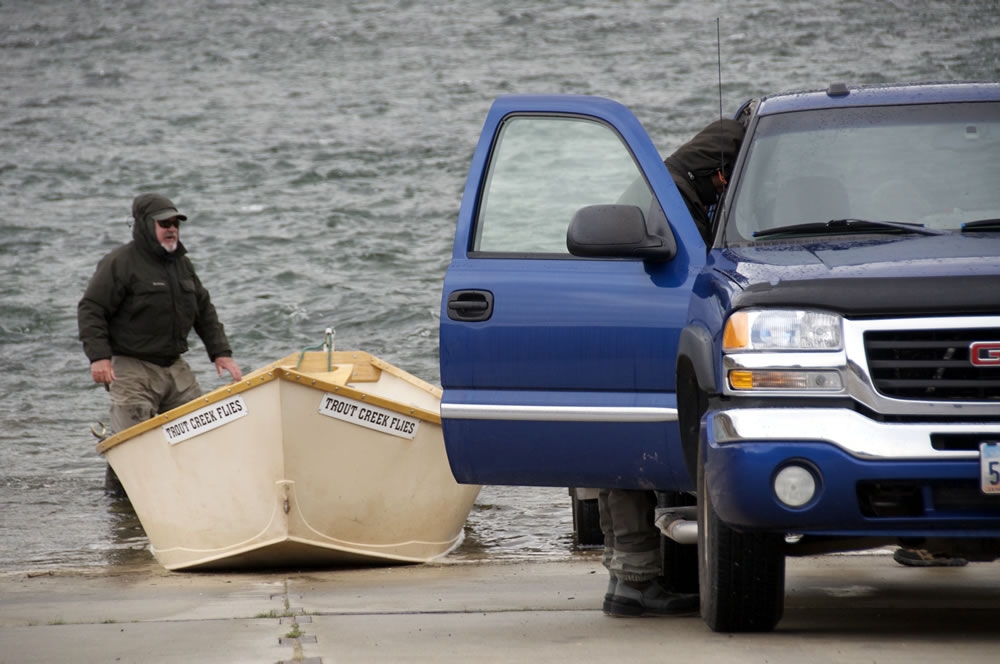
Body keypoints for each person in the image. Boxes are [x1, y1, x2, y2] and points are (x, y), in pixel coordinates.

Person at [599, 118, 745, 617]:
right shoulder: (674, 202)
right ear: (722, 176)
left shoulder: (662, 186)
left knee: (620, 446)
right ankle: (634, 582)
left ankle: (627, 578)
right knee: (632, 447)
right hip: (640, 336)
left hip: (621, 333)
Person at [78, 193, 243, 489]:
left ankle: (188, 498)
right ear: (144, 225)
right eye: (164, 223)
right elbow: (91, 309)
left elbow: (203, 309)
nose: (172, 229)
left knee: (200, 433)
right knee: (131, 449)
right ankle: (120, 513)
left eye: (175, 223)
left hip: (174, 367)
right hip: (131, 368)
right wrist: (99, 357)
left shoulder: (182, 264)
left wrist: (221, 353)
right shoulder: (119, 262)